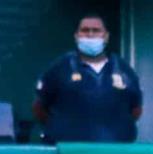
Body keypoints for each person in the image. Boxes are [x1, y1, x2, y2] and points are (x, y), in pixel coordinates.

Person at [33, 13, 142, 144]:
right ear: (76, 36)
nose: (90, 34)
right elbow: (39, 108)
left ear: (106, 36)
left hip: (115, 151)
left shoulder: (124, 70)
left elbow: (136, 110)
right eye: (85, 30)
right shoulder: (60, 67)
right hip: (69, 152)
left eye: (96, 31)